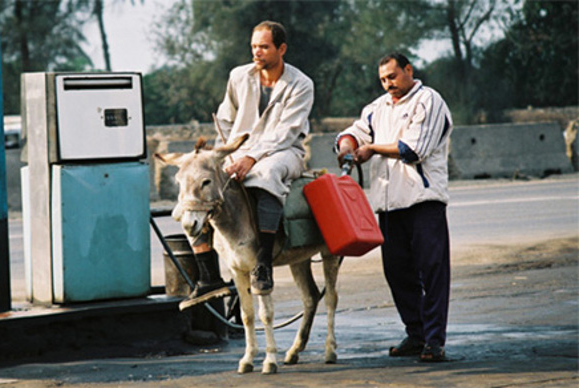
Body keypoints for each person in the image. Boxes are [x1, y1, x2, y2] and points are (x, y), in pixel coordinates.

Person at [178, 20, 314, 311]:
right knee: (202, 180)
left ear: (282, 48)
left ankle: (263, 262)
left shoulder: (301, 84)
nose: (257, 52)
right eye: (254, 46)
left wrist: (252, 157)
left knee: (266, 174)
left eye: (264, 47)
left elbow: (287, 131)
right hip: (240, 150)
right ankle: (209, 276)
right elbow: (226, 119)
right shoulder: (239, 76)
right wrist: (224, 154)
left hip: (284, 152)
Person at [335, 52, 452, 362]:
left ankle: (435, 341)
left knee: (433, 270)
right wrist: (347, 145)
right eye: (384, 79)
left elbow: (414, 149)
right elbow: (354, 132)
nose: (389, 84)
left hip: (423, 199)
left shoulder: (429, 100)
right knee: (397, 272)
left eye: (393, 76)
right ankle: (416, 333)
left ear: (408, 70)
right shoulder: (377, 108)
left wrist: (371, 148)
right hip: (388, 203)